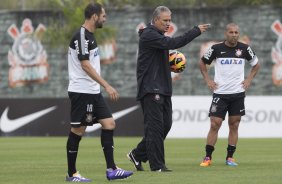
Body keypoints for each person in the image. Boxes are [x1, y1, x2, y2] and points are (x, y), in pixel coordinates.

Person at [127, 6, 210, 172]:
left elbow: (159, 57)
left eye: (169, 20)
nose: (168, 23)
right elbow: (174, 42)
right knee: (155, 128)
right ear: (156, 19)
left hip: (163, 88)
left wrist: (171, 65)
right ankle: (157, 166)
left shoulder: (158, 36)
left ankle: (137, 154)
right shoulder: (149, 35)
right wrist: (195, 31)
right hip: (151, 88)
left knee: (165, 125)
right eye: (165, 20)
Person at [65, 3, 133, 182]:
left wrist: (100, 88)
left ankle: (111, 170)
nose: (105, 18)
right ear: (94, 16)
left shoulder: (90, 36)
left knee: (109, 123)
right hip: (82, 91)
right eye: (103, 15)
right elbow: (85, 65)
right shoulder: (81, 36)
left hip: (93, 92)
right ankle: (72, 174)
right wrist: (107, 85)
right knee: (78, 130)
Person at [199, 23, 260, 167]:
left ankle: (230, 158)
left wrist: (249, 79)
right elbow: (202, 63)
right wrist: (208, 80)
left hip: (237, 94)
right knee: (215, 124)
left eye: (236, 32)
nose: (234, 35)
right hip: (220, 93)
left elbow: (256, 65)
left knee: (234, 125)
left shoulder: (245, 49)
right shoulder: (216, 48)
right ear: (226, 33)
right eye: (231, 32)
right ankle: (208, 157)